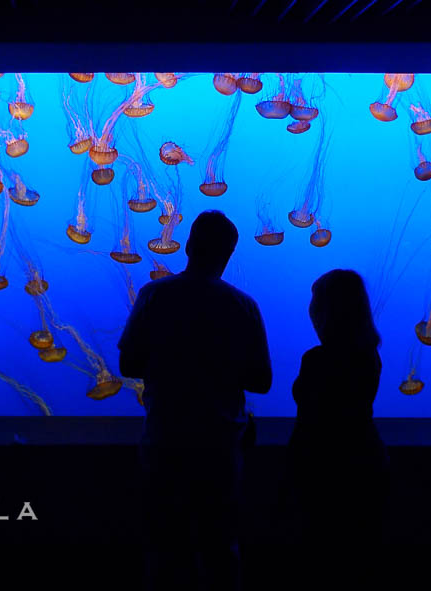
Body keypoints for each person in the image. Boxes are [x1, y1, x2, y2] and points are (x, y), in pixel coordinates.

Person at [118, 210, 272, 591]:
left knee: (164, 546)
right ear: (229, 254)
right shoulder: (244, 305)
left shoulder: (154, 295)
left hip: (164, 440)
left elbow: (128, 363)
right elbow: (262, 381)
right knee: (221, 546)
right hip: (221, 446)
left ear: (187, 245)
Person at [287, 269, 390, 559]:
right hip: (366, 460)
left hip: (325, 469)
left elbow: (309, 424)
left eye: (316, 300)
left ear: (326, 310)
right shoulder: (370, 355)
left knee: (323, 553)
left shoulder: (318, 360)